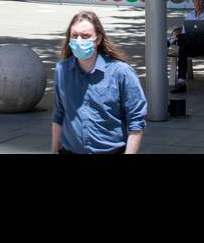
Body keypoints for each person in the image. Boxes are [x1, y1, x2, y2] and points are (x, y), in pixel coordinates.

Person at [52, 10, 146, 154]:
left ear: (98, 39)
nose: (79, 40)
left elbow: (136, 122)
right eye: (74, 35)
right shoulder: (62, 70)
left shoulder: (121, 72)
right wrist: (54, 150)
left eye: (85, 36)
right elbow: (59, 113)